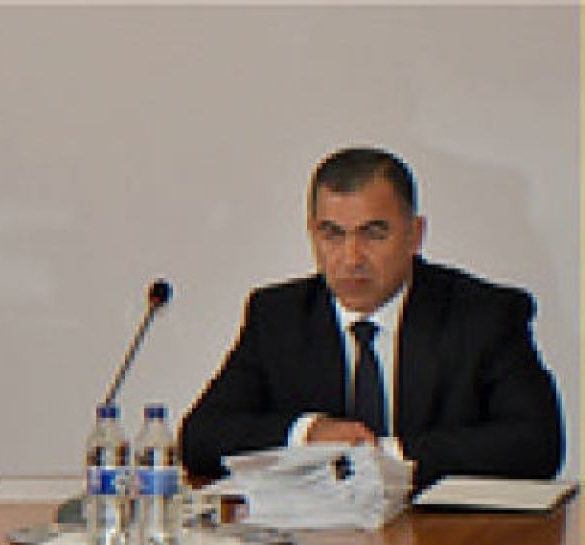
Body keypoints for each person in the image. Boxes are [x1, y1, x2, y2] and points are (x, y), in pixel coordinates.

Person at [180, 147, 564, 488]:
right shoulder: (279, 316)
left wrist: (385, 456)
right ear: (312, 234)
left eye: (373, 234)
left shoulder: (482, 314)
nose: (351, 258)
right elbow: (200, 437)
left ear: (415, 235)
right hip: (317, 541)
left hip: (445, 536)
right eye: (332, 234)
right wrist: (308, 434)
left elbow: (537, 444)